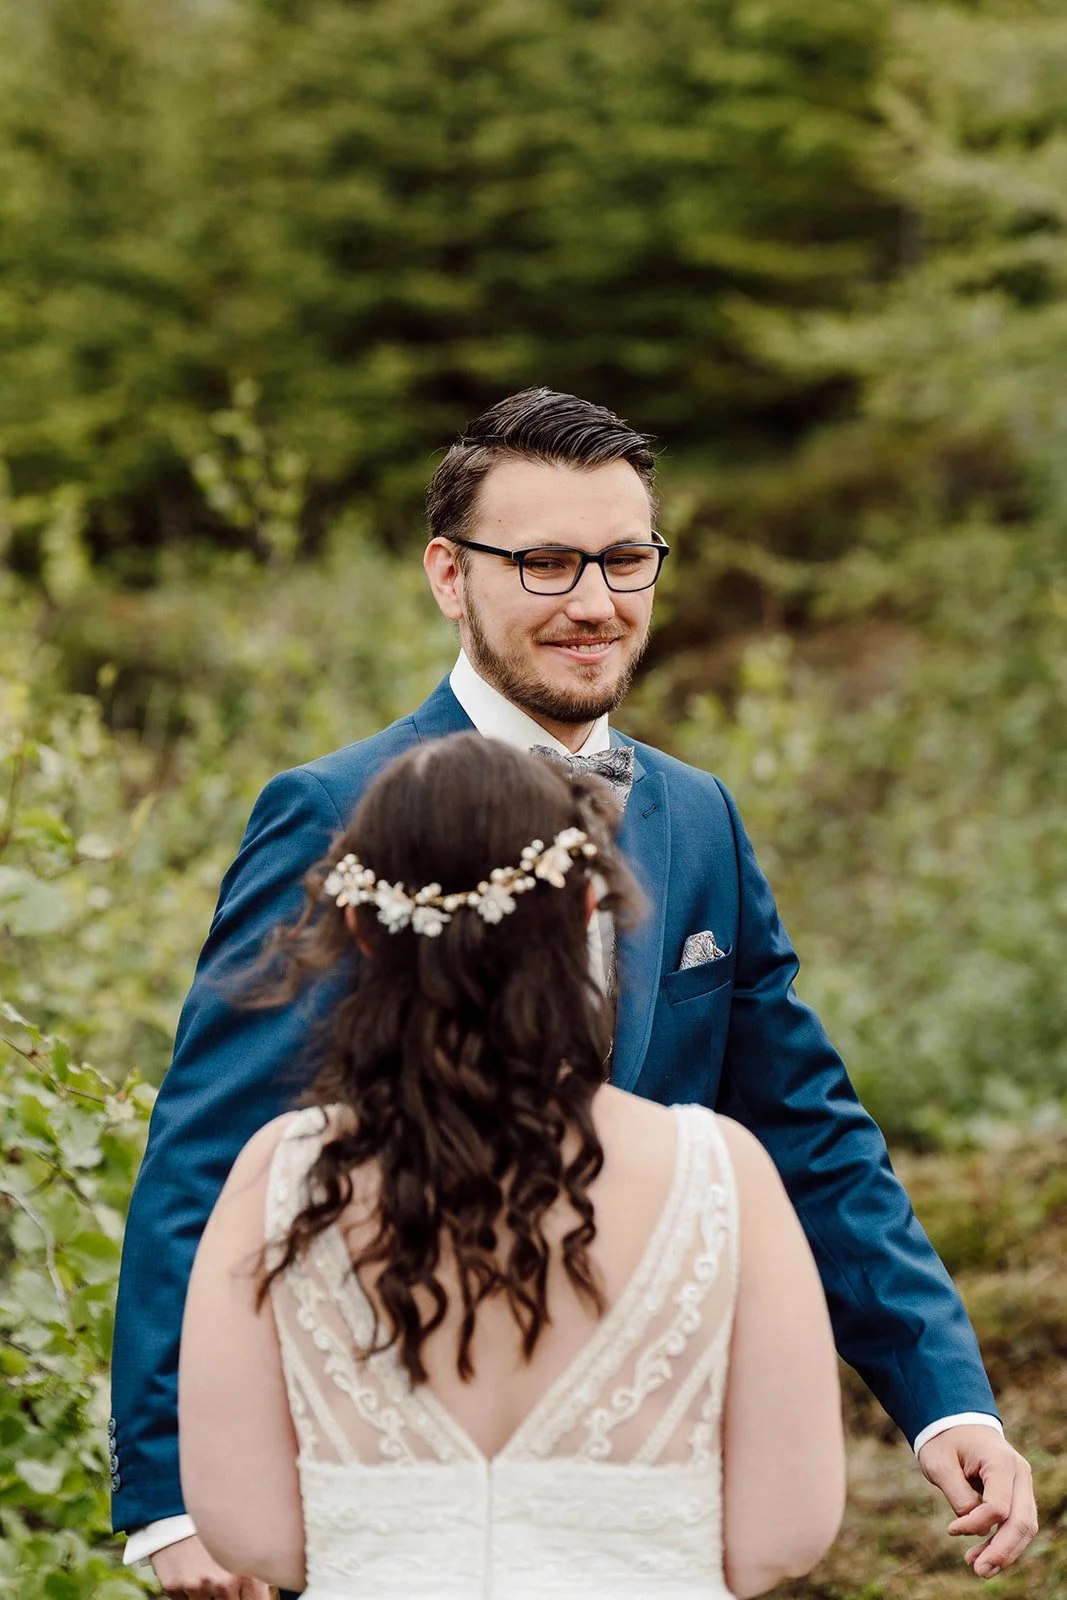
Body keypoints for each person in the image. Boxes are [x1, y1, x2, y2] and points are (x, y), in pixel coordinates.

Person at [112, 389, 1037, 1598]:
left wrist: (941, 1396)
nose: (593, 602)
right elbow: (208, 1155)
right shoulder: (333, 810)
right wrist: (172, 1499)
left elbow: (806, 1125)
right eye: (544, 562)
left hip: (635, 1488)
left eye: (623, 558)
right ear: (449, 575)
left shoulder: (693, 814)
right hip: (384, 1479)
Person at [178, 734, 846, 1597]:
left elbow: (251, 1533)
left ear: (362, 933)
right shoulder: (718, 1172)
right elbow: (782, 1534)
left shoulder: (281, 1175)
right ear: (582, 916)